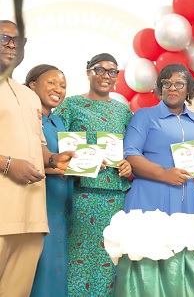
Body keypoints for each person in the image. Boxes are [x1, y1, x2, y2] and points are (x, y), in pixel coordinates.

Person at [0, 20, 74, 297]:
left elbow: (38, 145)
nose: (11, 45)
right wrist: (8, 164)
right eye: (4, 38)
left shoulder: (29, 97)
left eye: (18, 41)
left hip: (32, 216)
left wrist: (55, 159)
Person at [54, 53, 133, 296]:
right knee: (79, 256)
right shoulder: (70, 106)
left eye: (112, 71)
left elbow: (130, 149)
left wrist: (129, 165)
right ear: (88, 72)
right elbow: (58, 146)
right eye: (100, 69)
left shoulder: (123, 111)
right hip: (82, 193)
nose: (106, 76)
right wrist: (81, 165)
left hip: (115, 195)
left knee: (109, 257)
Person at [124, 63, 194, 221]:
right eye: (166, 83)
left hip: (192, 197)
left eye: (179, 84)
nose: (172, 88)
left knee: (190, 244)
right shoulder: (144, 116)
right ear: (160, 88)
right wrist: (163, 173)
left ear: (188, 90)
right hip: (151, 195)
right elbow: (130, 154)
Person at [25, 65, 73, 297]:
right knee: (38, 268)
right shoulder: (24, 119)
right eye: (52, 83)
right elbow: (26, 162)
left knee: (57, 266)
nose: (58, 89)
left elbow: (61, 159)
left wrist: (88, 163)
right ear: (32, 85)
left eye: (62, 86)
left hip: (61, 204)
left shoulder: (59, 123)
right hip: (36, 200)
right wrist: (57, 168)